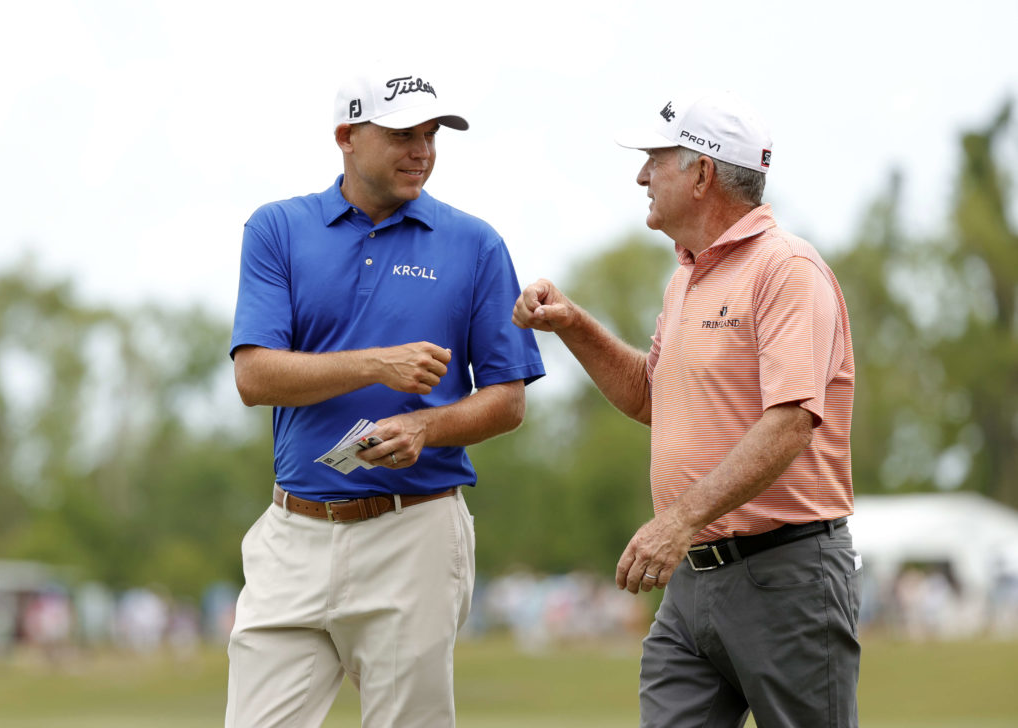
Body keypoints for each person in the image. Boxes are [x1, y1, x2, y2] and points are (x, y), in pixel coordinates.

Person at [512, 89, 860, 727]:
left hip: (787, 576)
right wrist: (572, 324)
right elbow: (652, 395)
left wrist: (677, 522)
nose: (641, 174)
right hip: (692, 581)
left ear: (701, 173)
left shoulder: (787, 270)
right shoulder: (687, 276)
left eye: (656, 158)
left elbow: (790, 423)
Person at [226, 67, 545, 727]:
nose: (422, 150)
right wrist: (376, 366)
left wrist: (427, 428)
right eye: (403, 133)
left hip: (416, 533)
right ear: (347, 135)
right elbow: (254, 377)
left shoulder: (476, 245)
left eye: (431, 133)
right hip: (294, 532)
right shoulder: (277, 229)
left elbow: (507, 399)